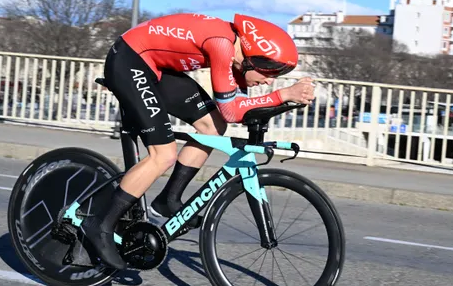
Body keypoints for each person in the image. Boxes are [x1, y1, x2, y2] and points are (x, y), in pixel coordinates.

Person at [81, 13, 315, 269]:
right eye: (268, 72)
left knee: (212, 125)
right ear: (251, 58)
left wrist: (285, 100)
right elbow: (232, 110)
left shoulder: (234, 52)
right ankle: (100, 225)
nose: (269, 81)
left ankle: (168, 200)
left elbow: (236, 111)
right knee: (164, 154)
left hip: (157, 68)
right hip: (130, 60)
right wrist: (283, 95)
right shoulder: (221, 44)